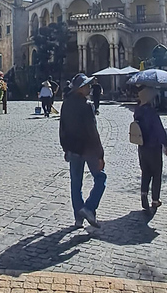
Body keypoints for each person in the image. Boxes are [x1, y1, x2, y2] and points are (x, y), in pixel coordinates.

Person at [59, 73, 106, 229]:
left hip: (73, 149)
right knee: (101, 178)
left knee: (76, 184)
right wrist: (100, 155)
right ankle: (89, 208)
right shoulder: (86, 106)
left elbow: (62, 129)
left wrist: (65, 148)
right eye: (87, 85)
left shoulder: (66, 103)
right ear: (80, 88)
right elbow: (92, 131)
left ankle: (78, 218)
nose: (89, 88)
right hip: (88, 149)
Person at [133, 87, 167, 214]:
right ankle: (155, 199)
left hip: (142, 146)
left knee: (145, 172)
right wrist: (165, 144)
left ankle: (144, 193)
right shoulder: (152, 113)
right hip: (153, 147)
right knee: (156, 173)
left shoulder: (137, 111)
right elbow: (159, 129)